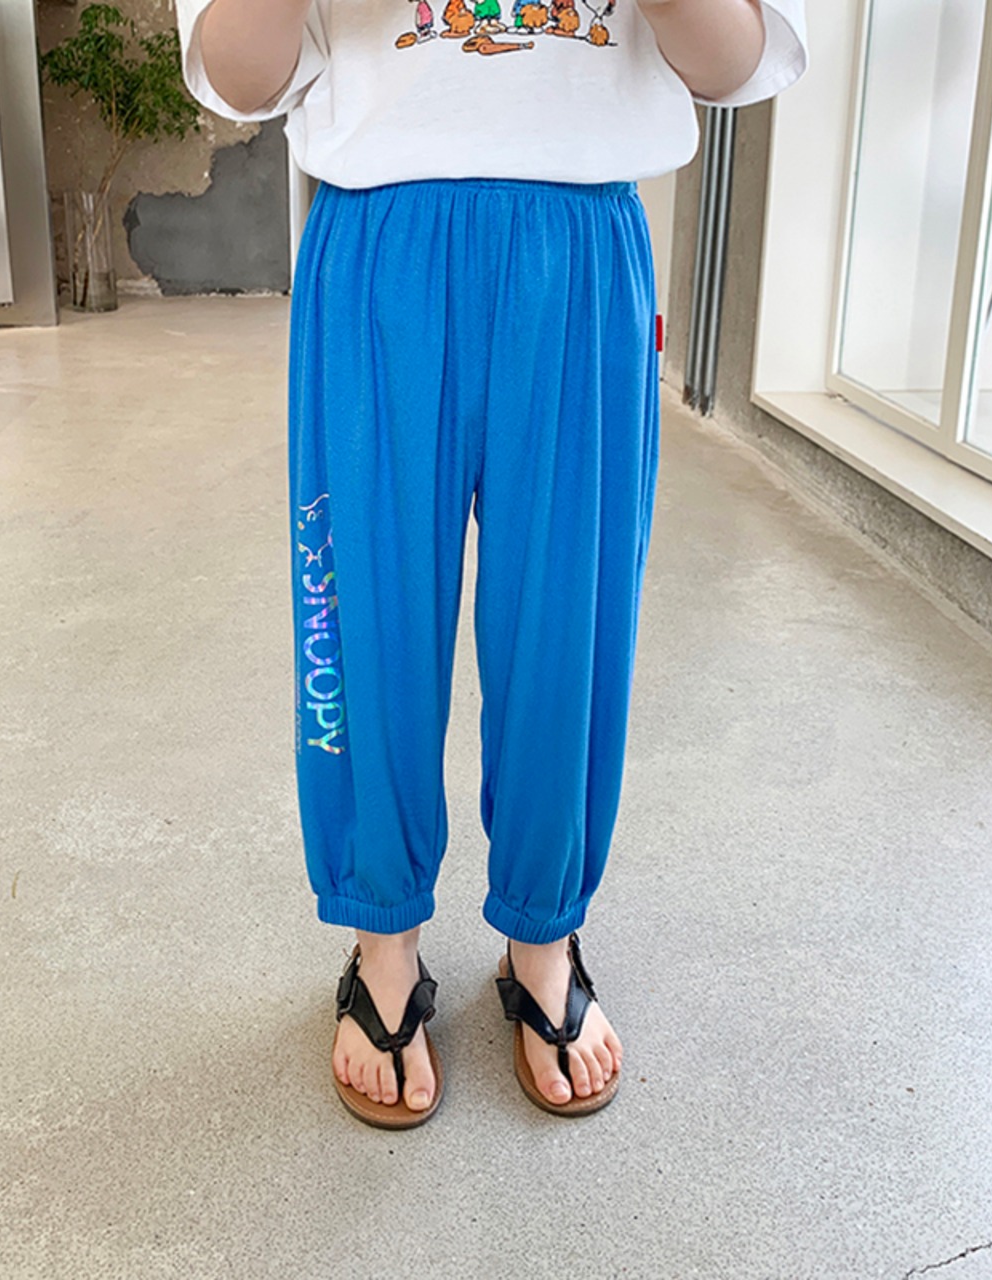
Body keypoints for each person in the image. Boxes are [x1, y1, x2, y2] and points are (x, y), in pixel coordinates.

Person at [175, 0, 807, 1126]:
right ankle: (382, 935)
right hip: (377, 240)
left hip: (576, 248)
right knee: (366, 618)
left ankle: (542, 933)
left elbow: (736, 59)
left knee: (568, 623)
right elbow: (236, 74)